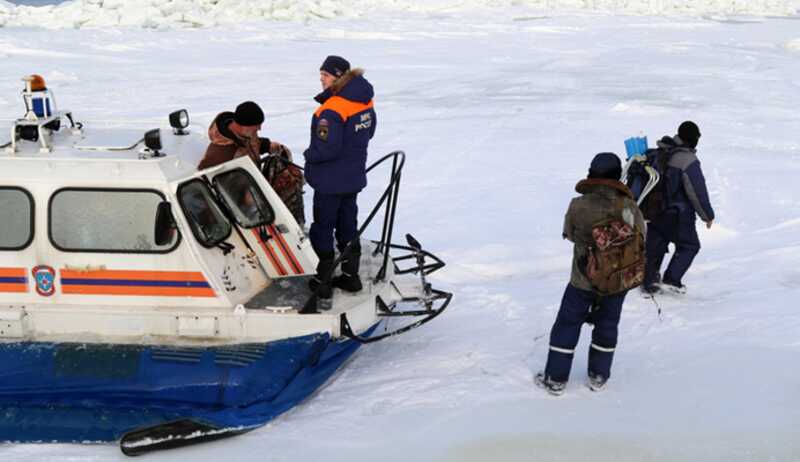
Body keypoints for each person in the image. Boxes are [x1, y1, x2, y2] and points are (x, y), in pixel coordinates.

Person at [536, 153, 646, 396]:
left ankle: (555, 379)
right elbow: (642, 237)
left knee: (567, 325)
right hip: (617, 282)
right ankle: (598, 375)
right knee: (607, 325)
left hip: (582, 280)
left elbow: (569, 234)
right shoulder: (629, 206)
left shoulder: (578, 205)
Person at [300, 55, 376, 313]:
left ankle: (323, 280)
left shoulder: (331, 110)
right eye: (321, 74)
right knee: (348, 224)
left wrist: (308, 155)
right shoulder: (364, 101)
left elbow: (326, 148)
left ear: (339, 76)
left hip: (330, 180)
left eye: (326, 75)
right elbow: (370, 131)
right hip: (353, 176)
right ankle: (351, 276)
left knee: (323, 227)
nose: (321, 78)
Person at [198, 101, 305, 225]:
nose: (259, 129)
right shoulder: (221, 152)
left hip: (253, 181)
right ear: (244, 125)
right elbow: (208, 182)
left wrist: (269, 146)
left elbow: (251, 143)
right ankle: (283, 221)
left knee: (289, 173)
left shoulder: (244, 133)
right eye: (257, 126)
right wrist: (245, 195)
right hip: (239, 197)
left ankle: (294, 223)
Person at [642, 121, 714, 295]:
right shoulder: (688, 160)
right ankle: (672, 280)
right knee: (689, 246)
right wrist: (707, 215)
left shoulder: (660, 152)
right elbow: (697, 191)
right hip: (678, 215)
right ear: (693, 139)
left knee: (655, 246)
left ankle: (649, 281)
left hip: (654, 211)